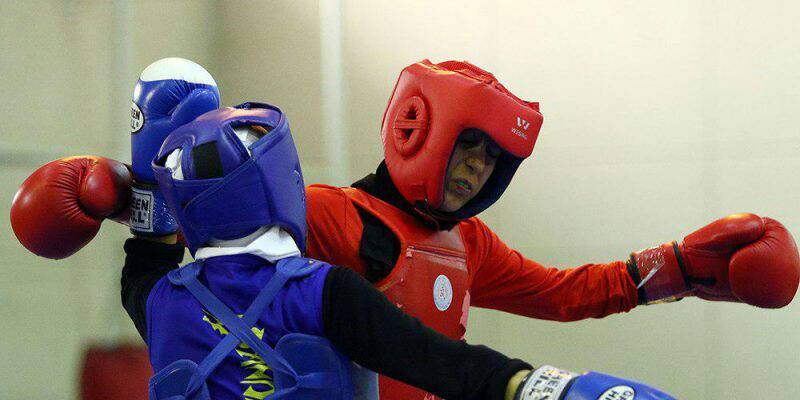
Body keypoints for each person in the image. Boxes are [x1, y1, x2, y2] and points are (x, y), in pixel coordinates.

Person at [10, 58, 799, 399]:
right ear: (420, 130)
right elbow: (219, 233)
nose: (476, 175)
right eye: (469, 153)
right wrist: (132, 195)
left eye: (492, 164)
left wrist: (675, 269)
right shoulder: (329, 216)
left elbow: (563, 293)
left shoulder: (469, 245)